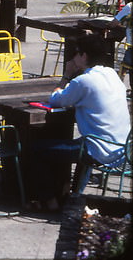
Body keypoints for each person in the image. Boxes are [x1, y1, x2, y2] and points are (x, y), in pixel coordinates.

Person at [27, 34, 132, 209]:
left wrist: (67, 75)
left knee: (37, 149)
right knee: (64, 146)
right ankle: (68, 194)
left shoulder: (84, 81)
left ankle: (48, 200)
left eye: (76, 54)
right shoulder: (112, 75)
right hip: (122, 149)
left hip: (98, 150)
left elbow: (56, 99)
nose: (74, 58)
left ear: (84, 56)